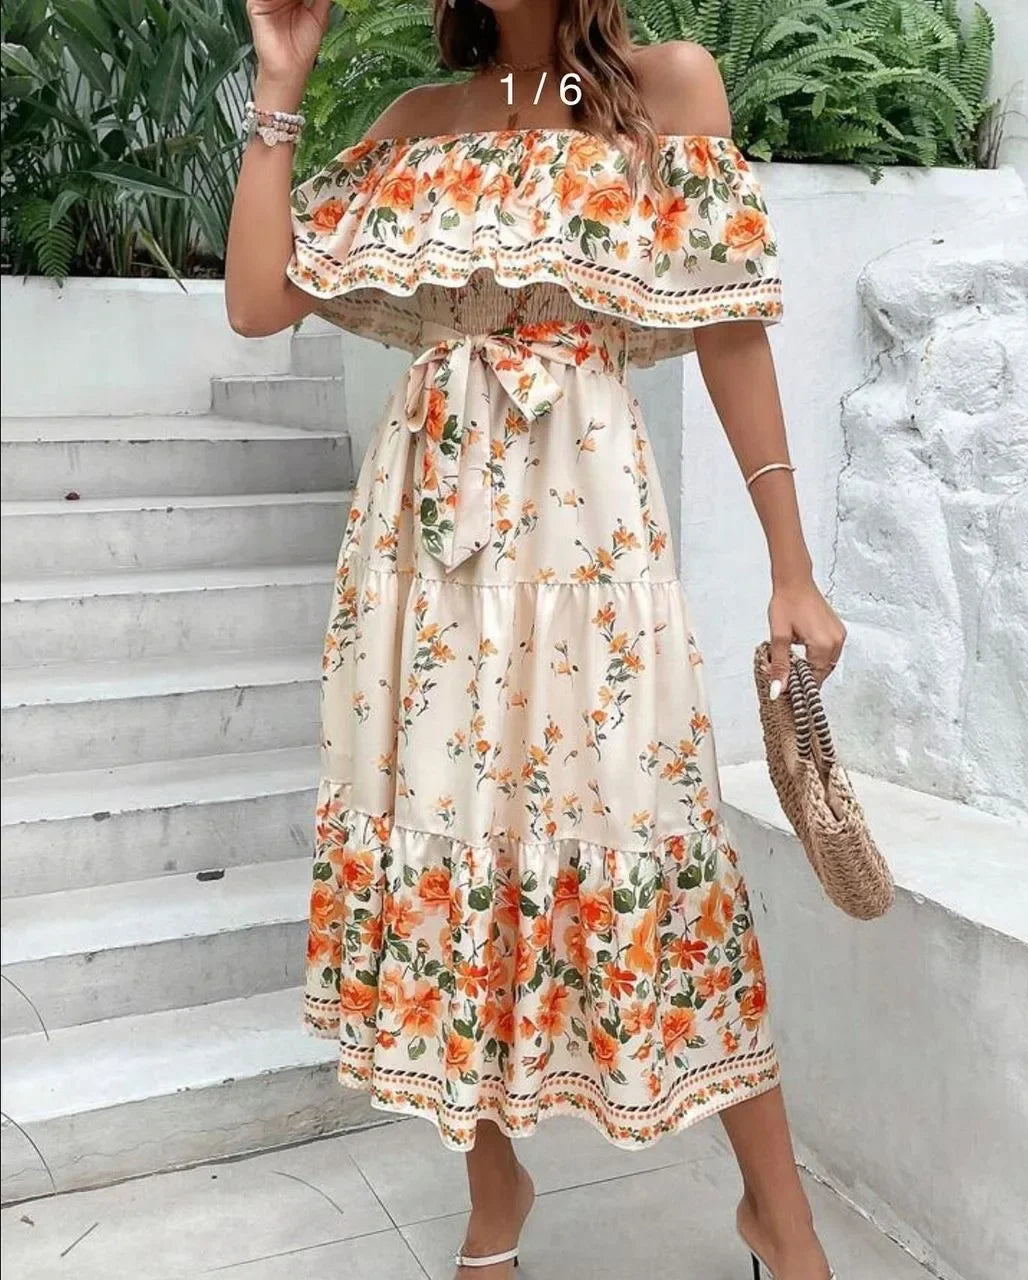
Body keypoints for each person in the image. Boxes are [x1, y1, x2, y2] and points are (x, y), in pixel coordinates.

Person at [226, 2, 846, 1277]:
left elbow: (729, 325)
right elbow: (255, 297)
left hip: (590, 529)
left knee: (659, 835)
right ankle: (492, 1185)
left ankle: (779, 1216)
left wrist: (791, 564)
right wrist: (281, 84)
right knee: (454, 830)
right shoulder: (420, 121)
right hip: (427, 549)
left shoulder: (668, 89)